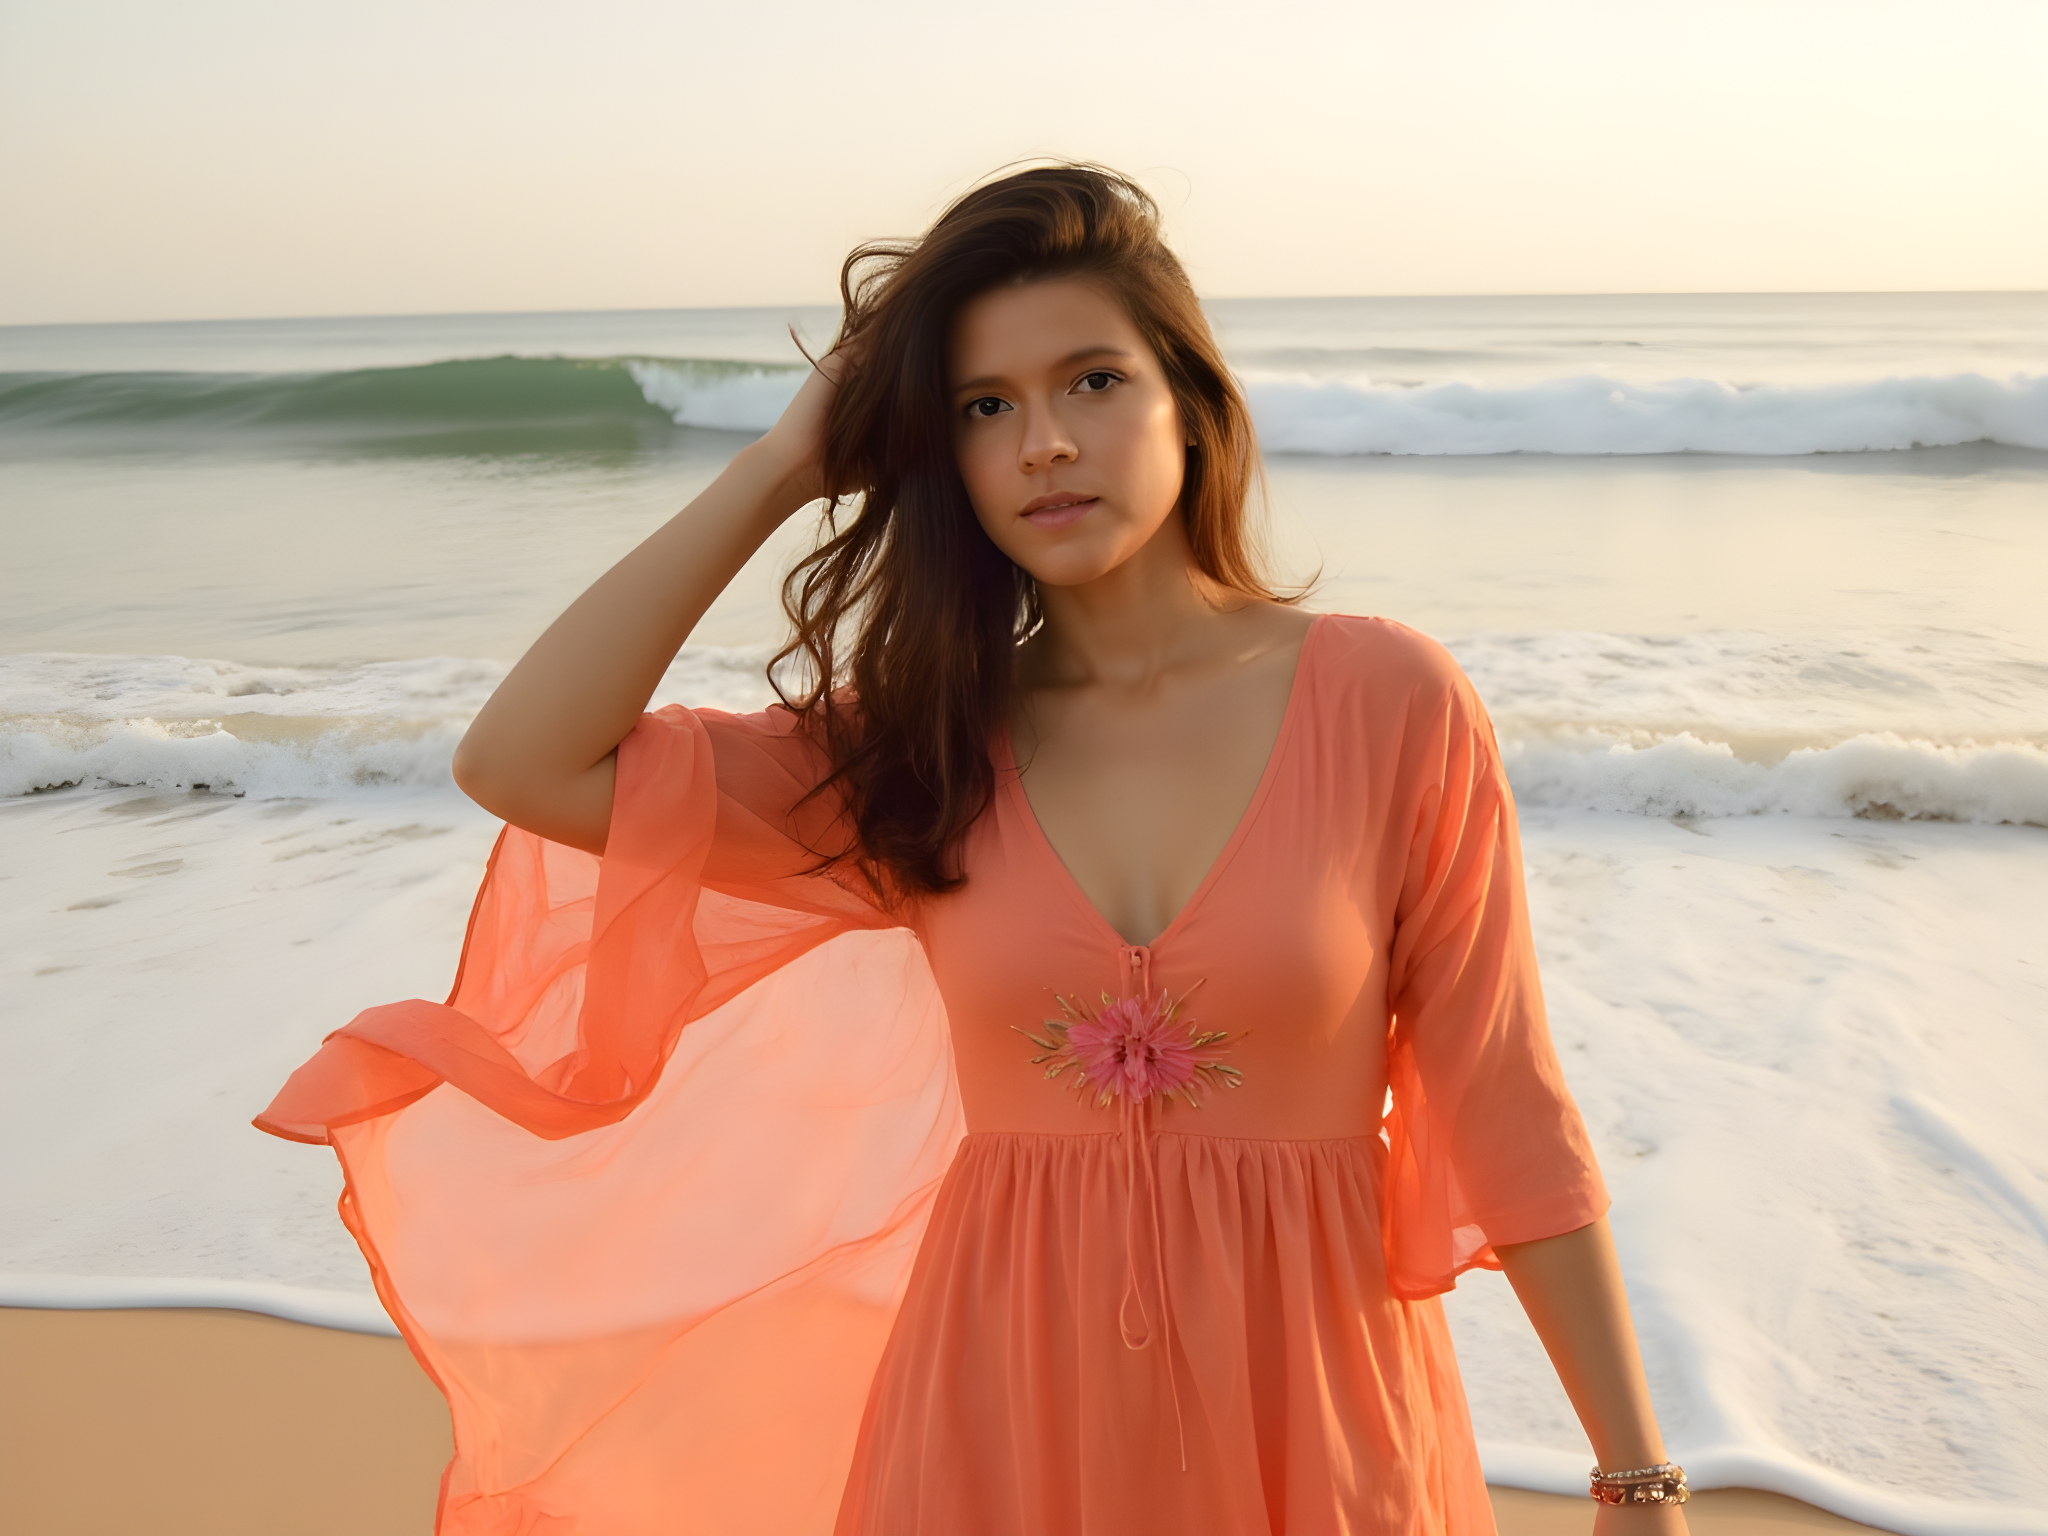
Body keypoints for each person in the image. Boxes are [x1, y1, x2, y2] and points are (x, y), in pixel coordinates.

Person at [260, 164, 1690, 1535]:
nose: (1044, 442)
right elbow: (521, 760)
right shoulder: (920, 752)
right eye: (982, 407)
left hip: (1313, 1414)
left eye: (1094, 381)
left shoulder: (1390, 703)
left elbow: (1510, 1110)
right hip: (998, 1411)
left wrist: (1636, 1479)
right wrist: (777, 467)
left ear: (1192, 404)